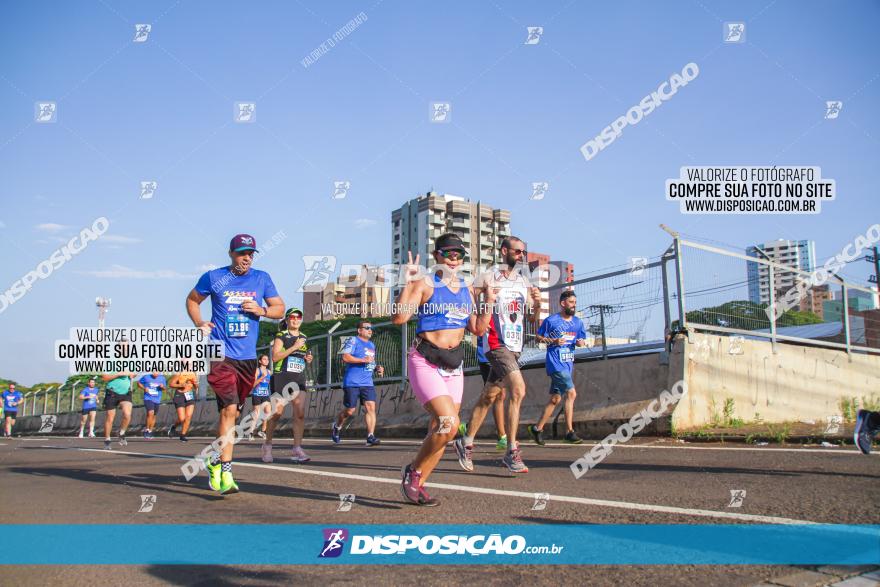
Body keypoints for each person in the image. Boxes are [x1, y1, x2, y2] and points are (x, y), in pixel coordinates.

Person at [392, 233, 492, 506]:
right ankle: (412, 472)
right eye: (449, 253)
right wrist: (407, 283)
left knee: (440, 428)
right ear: (437, 256)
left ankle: (419, 483)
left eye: (459, 254)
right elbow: (400, 318)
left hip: (454, 365)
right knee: (449, 426)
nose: (454, 259)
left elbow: (478, 329)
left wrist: (489, 301)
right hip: (425, 360)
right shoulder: (425, 283)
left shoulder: (467, 289)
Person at [186, 233, 284, 494]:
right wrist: (199, 323)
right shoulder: (214, 277)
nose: (247, 258)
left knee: (233, 413)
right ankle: (226, 471)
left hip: (247, 358)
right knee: (230, 409)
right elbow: (193, 300)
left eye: (251, 253)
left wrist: (262, 310)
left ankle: (214, 459)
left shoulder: (262, 278)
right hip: (220, 353)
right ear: (231, 253)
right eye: (242, 253)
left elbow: (279, 309)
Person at [454, 236, 541, 474]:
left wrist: (536, 305)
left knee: (489, 396)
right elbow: (468, 293)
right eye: (517, 251)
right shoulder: (488, 277)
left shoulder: (523, 283)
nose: (521, 255)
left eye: (524, 252)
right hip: (495, 342)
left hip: (515, 346)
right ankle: (512, 452)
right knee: (518, 390)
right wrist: (481, 312)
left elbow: (531, 319)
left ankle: (466, 441)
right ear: (504, 251)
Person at [528, 290, 588, 445]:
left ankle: (537, 428)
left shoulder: (578, 322)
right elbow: (539, 337)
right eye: (571, 302)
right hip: (555, 364)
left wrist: (580, 342)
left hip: (568, 365)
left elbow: (581, 339)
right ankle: (569, 432)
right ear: (563, 304)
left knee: (555, 399)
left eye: (575, 302)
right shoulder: (552, 321)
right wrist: (553, 341)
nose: (574, 305)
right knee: (571, 393)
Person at [263, 308, 313, 463]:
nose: (296, 319)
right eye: (292, 317)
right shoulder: (281, 336)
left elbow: (301, 356)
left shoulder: (304, 337)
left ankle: (297, 448)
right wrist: (294, 347)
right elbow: (276, 357)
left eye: (299, 317)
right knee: (276, 414)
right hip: (282, 377)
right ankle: (267, 444)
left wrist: (307, 359)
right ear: (286, 319)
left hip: (298, 378)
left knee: (300, 412)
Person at [331, 320, 384, 446]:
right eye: (367, 328)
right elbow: (345, 357)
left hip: (367, 382)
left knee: (371, 407)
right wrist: (362, 360)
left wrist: (377, 368)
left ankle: (370, 436)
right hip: (352, 381)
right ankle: (337, 426)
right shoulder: (352, 340)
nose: (370, 330)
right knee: (350, 410)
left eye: (371, 328)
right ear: (359, 330)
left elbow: (370, 361)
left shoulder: (372, 345)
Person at [459, 336, 508, 452]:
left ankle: (501, 437)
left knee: (499, 395)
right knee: (493, 395)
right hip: (488, 354)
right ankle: (501, 437)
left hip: (503, 352)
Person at [102, 372, 135, 450]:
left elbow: (134, 374)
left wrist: (132, 374)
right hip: (112, 393)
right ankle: (107, 440)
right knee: (110, 417)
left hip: (126, 393)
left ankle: (121, 433)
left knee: (127, 414)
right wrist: (118, 374)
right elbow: (104, 378)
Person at [168, 370, 199, 441]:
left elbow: (196, 387)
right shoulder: (179, 373)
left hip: (189, 395)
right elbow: (171, 384)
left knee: (188, 416)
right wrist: (180, 385)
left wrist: (195, 383)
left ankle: (183, 435)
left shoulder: (193, 373)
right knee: (182, 418)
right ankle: (174, 427)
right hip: (180, 395)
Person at [247, 354, 272, 441]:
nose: (266, 361)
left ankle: (263, 431)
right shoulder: (257, 371)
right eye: (264, 359)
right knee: (256, 415)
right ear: (260, 361)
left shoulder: (269, 372)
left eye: (267, 359)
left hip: (265, 395)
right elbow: (253, 384)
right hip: (257, 394)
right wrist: (262, 377)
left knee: (268, 412)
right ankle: (250, 433)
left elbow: (269, 385)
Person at [137, 371, 167, 439]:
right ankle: (147, 430)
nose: (155, 373)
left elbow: (165, 388)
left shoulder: (162, 378)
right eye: (154, 372)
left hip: (157, 399)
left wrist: (162, 387)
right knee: (150, 412)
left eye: (157, 372)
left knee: (154, 415)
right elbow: (138, 383)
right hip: (148, 398)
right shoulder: (146, 377)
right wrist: (144, 388)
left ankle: (150, 431)